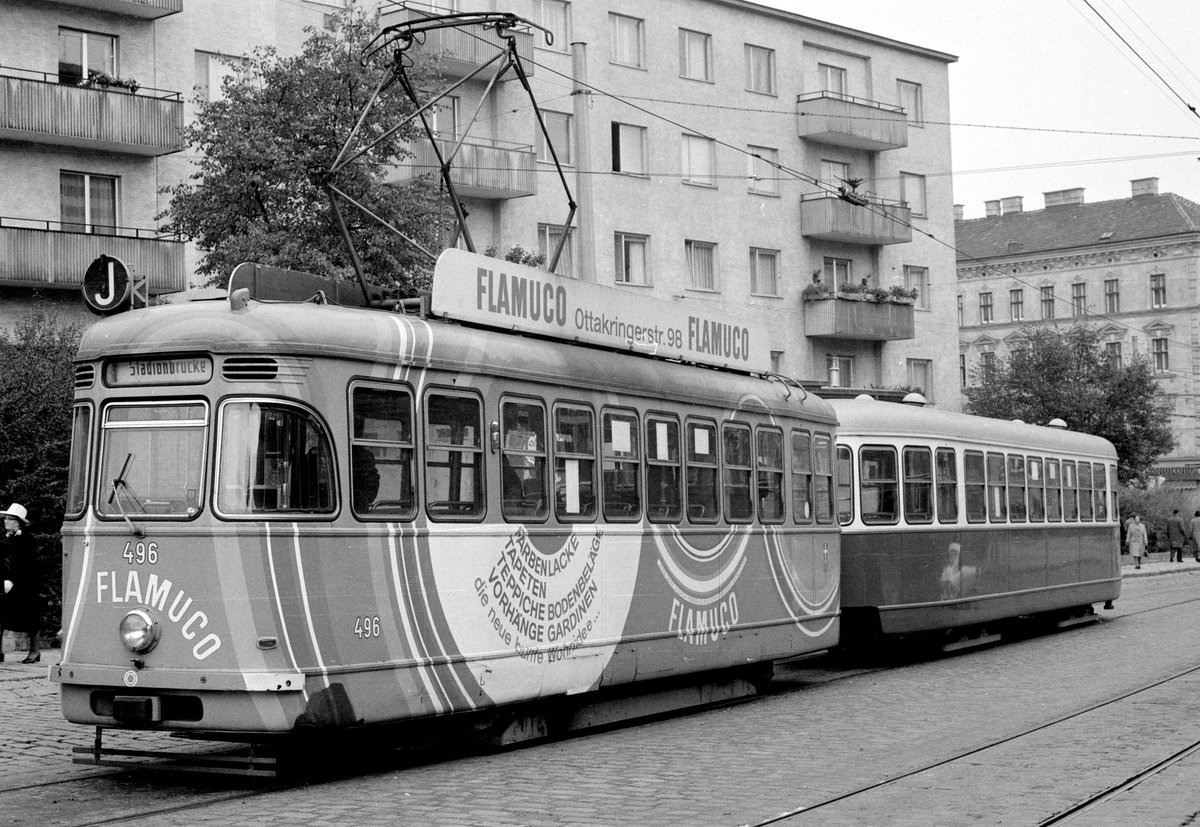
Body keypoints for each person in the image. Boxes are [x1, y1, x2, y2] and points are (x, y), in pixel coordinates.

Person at [1, 504, 41, 664]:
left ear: (19, 522)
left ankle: (35, 651)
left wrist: (13, 579)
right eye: (5, 518)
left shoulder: (26, 538)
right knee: (3, 614)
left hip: (25, 583)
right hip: (8, 581)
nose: (6, 521)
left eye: (10, 519)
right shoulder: (7, 537)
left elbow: (25, 563)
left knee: (30, 616)